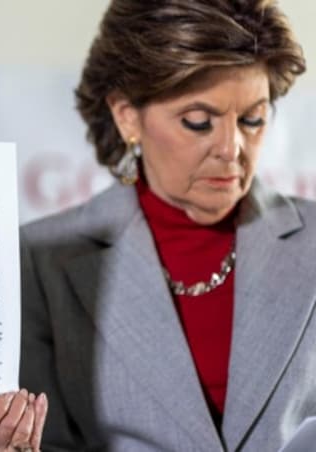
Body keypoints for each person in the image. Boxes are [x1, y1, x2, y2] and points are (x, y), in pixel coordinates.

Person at [18, 0, 311, 450]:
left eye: (253, 119)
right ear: (127, 116)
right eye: (199, 122)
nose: (231, 148)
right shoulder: (42, 259)